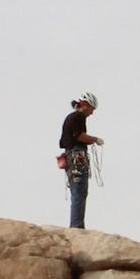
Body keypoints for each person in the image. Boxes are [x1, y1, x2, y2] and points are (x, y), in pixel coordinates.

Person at [58, 93, 102, 230]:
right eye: (92, 109)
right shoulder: (78, 117)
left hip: (69, 156)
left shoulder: (72, 117)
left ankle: (76, 224)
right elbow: (78, 135)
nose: (92, 112)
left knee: (77, 190)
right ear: (85, 105)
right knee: (80, 190)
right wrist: (95, 139)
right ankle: (76, 226)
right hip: (76, 155)